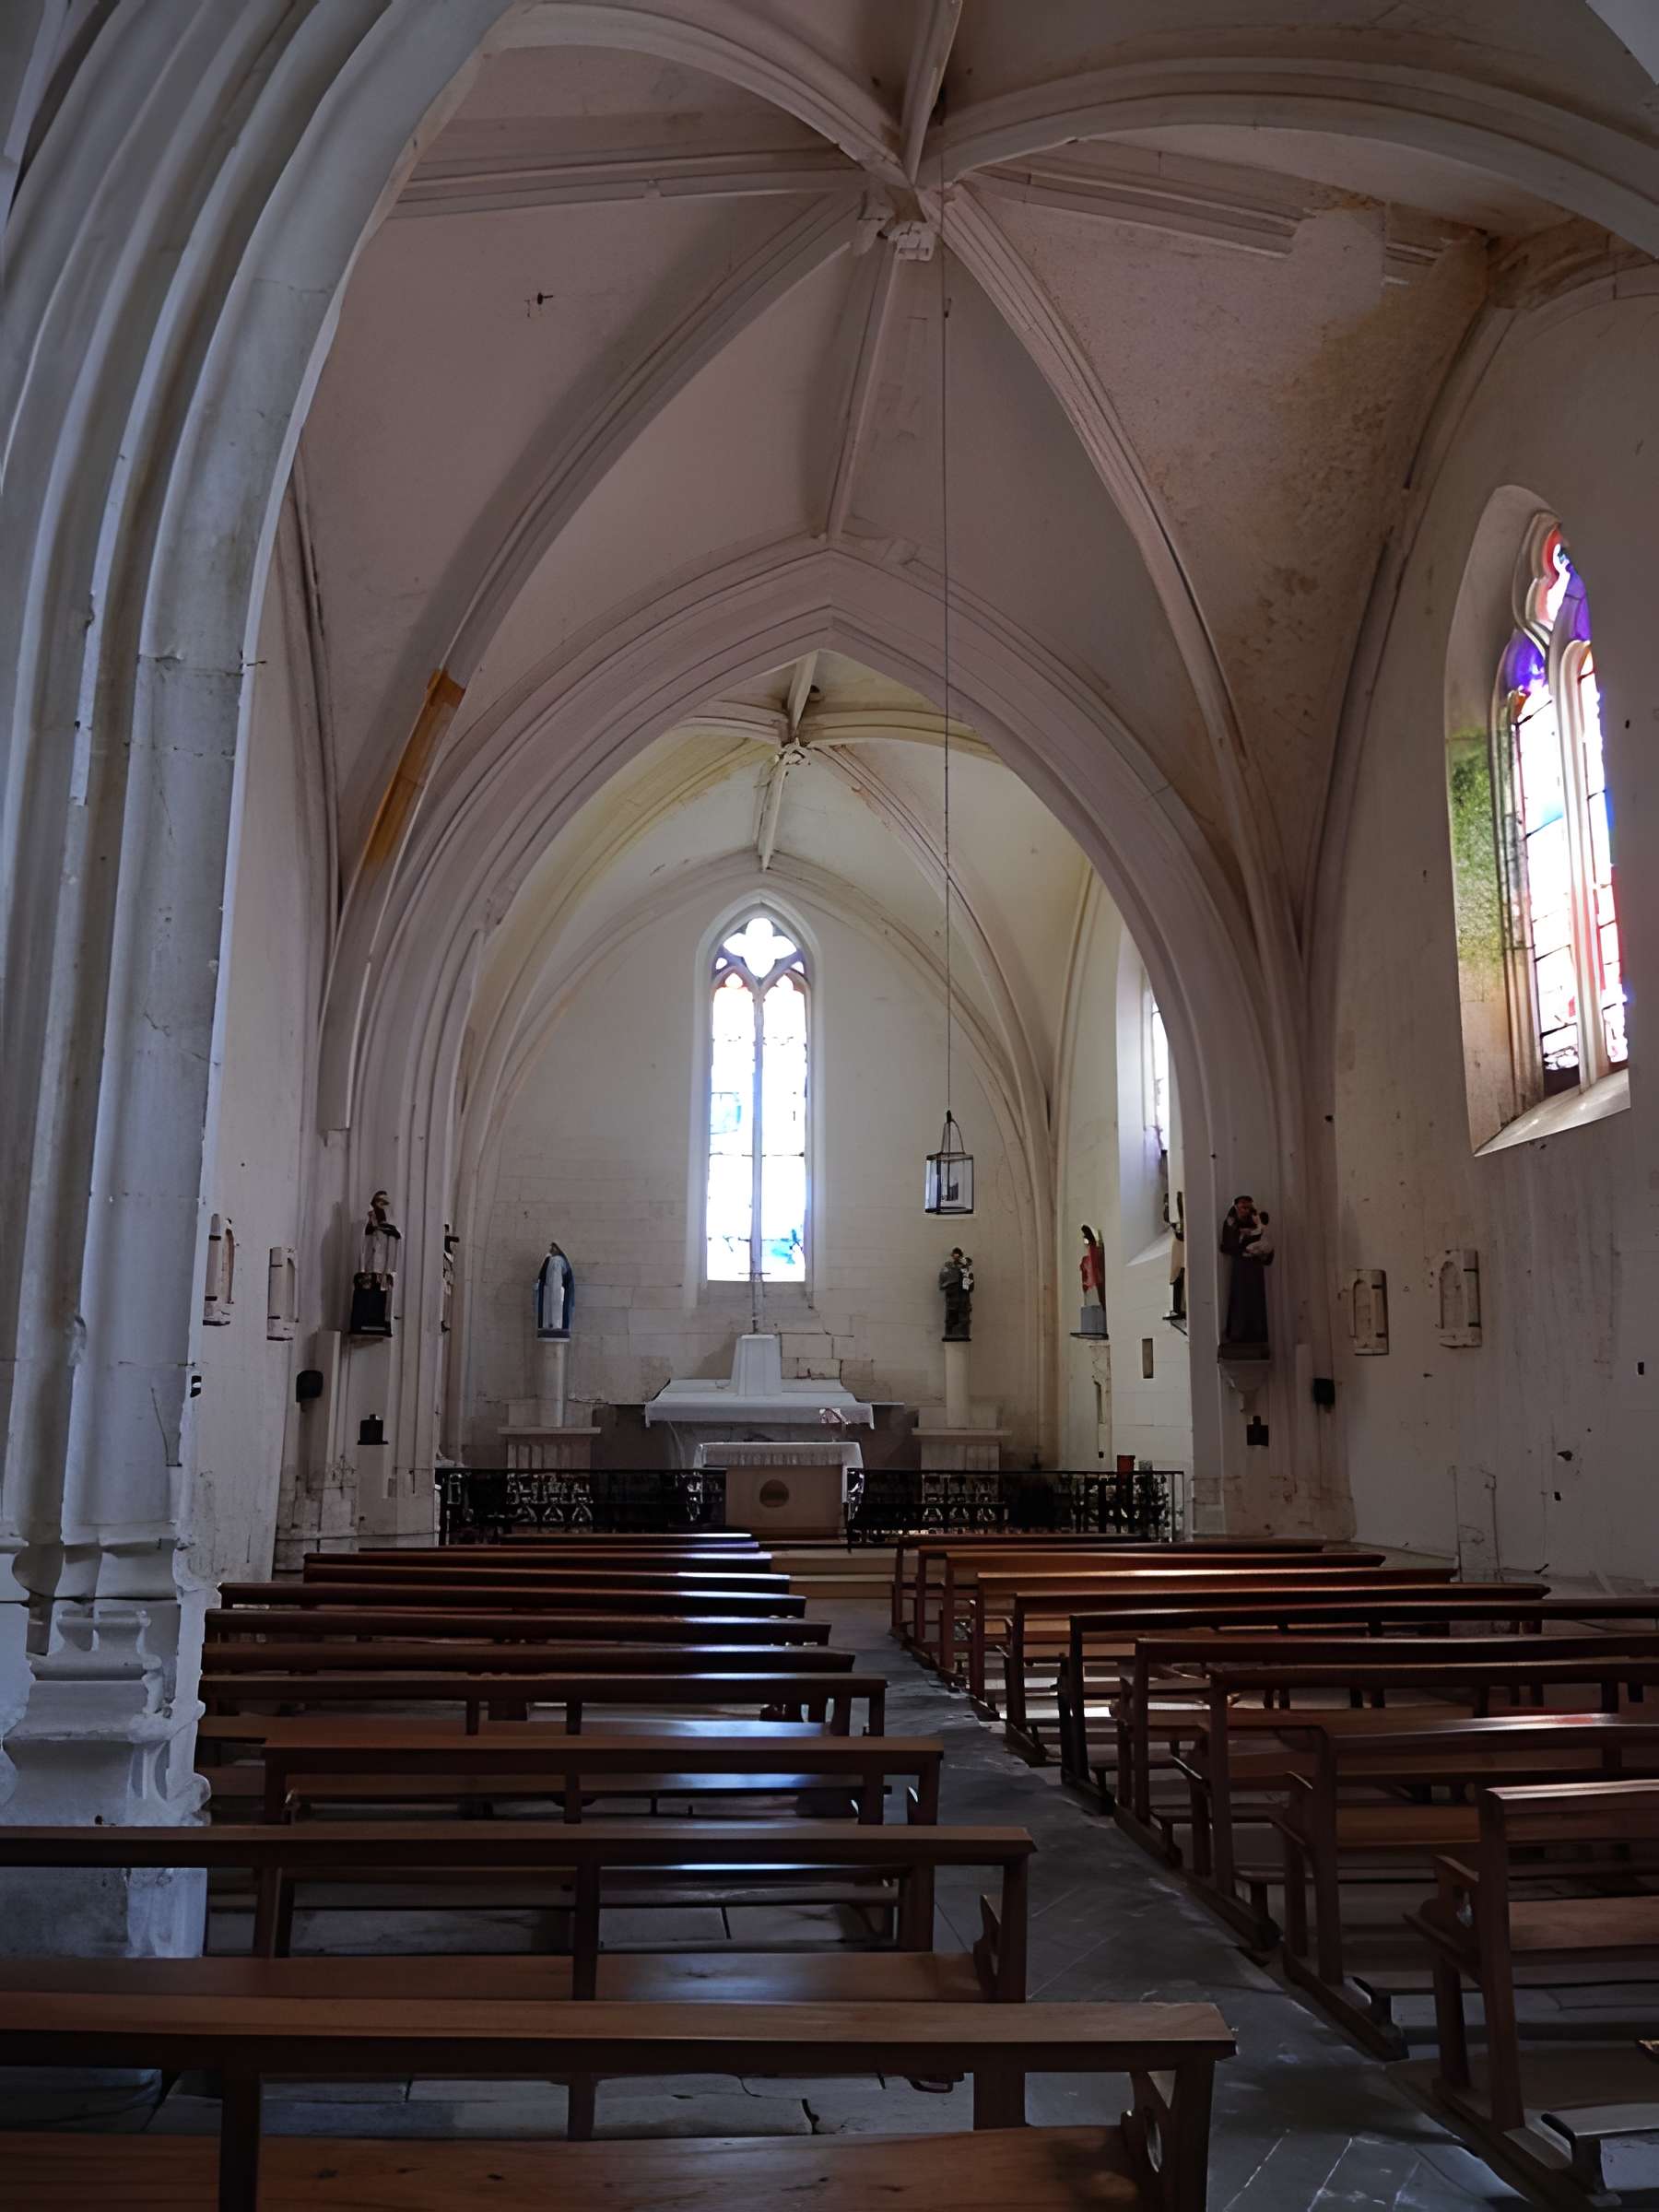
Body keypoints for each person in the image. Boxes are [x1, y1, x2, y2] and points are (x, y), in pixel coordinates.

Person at [1218, 1194, 1272, 1349]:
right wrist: (1243, 1235)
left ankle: (1257, 1331)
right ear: (1236, 1206)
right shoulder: (1231, 1221)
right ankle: (1238, 1332)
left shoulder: (1253, 1218)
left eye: (1248, 1207)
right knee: (1241, 1296)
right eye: (1243, 1207)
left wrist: (1256, 1230)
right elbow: (1229, 1243)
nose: (1246, 1211)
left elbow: (1261, 1231)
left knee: (1255, 1295)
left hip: (1254, 1263)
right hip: (1241, 1264)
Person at [939, 1248, 973, 1340]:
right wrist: (951, 1282)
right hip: (952, 1300)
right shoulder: (948, 1268)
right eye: (955, 1255)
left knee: (963, 1320)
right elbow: (942, 1284)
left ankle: (961, 1332)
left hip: (962, 1300)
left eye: (958, 1255)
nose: (957, 1258)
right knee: (951, 1319)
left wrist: (965, 1273)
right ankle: (952, 1332)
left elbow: (970, 1286)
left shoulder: (966, 1269)